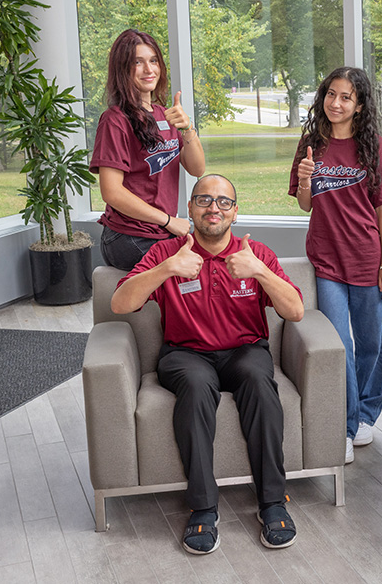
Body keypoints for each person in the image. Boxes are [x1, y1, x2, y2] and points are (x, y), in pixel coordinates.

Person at [111, 174, 304, 555]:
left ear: (235, 211)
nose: (213, 208)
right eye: (203, 200)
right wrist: (167, 269)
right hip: (185, 354)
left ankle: (272, 502)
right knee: (198, 388)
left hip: (244, 351)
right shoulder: (168, 252)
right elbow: (120, 304)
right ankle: (203, 506)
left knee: (260, 384)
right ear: (190, 209)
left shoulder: (255, 253)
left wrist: (260, 272)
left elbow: (295, 311)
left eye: (223, 202)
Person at [288, 67, 382, 465]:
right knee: (339, 345)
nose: (336, 103)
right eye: (331, 95)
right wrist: (305, 181)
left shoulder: (372, 145)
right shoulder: (311, 144)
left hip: (367, 258)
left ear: (359, 106)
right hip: (326, 259)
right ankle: (346, 425)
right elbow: (306, 204)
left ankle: (368, 412)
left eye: (346, 98)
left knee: (371, 344)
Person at [91, 29, 206, 271]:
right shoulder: (115, 120)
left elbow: (197, 168)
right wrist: (168, 221)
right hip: (129, 235)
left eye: (153, 60)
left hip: (162, 231)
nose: (149, 69)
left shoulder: (164, 113)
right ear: (123, 69)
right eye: (138, 62)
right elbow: (111, 192)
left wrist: (187, 128)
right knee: (191, 275)